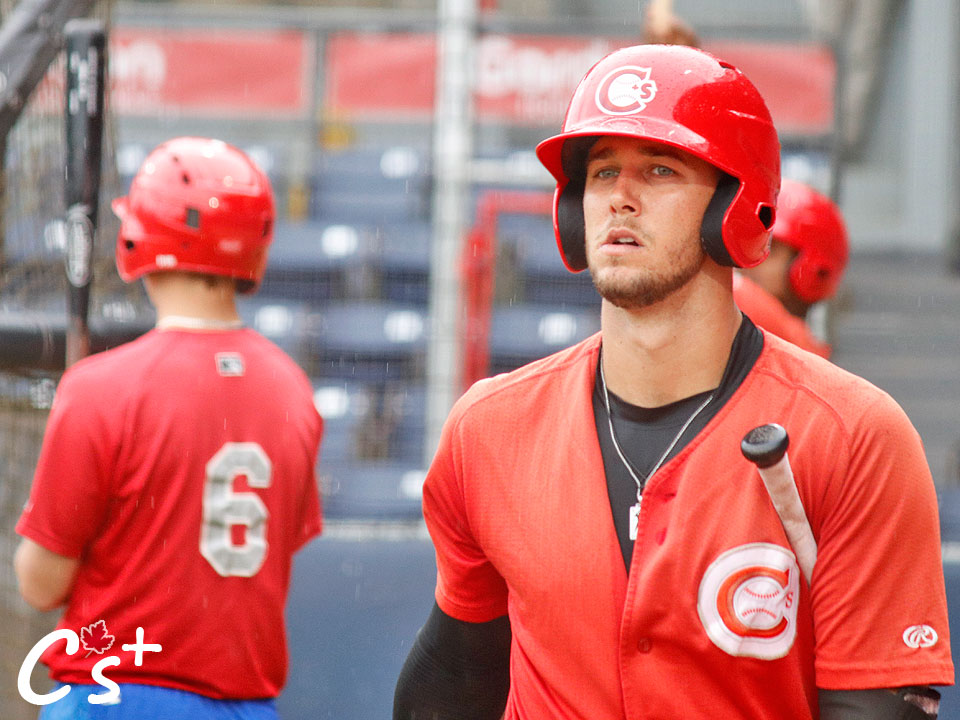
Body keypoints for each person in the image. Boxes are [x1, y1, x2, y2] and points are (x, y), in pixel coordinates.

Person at [393, 45, 952, 719]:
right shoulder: (488, 429)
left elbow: (874, 710)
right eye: (601, 173)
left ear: (736, 205)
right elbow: (455, 677)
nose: (620, 199)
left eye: (660, 169)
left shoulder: (855, 437)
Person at [14, 137, 323, 719]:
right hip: (245, 704)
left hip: (114, 695)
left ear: (142, 237)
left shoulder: (100, 386)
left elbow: (39, 583)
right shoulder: (291, 389)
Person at [734, 178, 849, 358]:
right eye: (748, 243)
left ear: (810, 270)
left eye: (769, 248)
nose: (747, 260)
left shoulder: (796, 346)